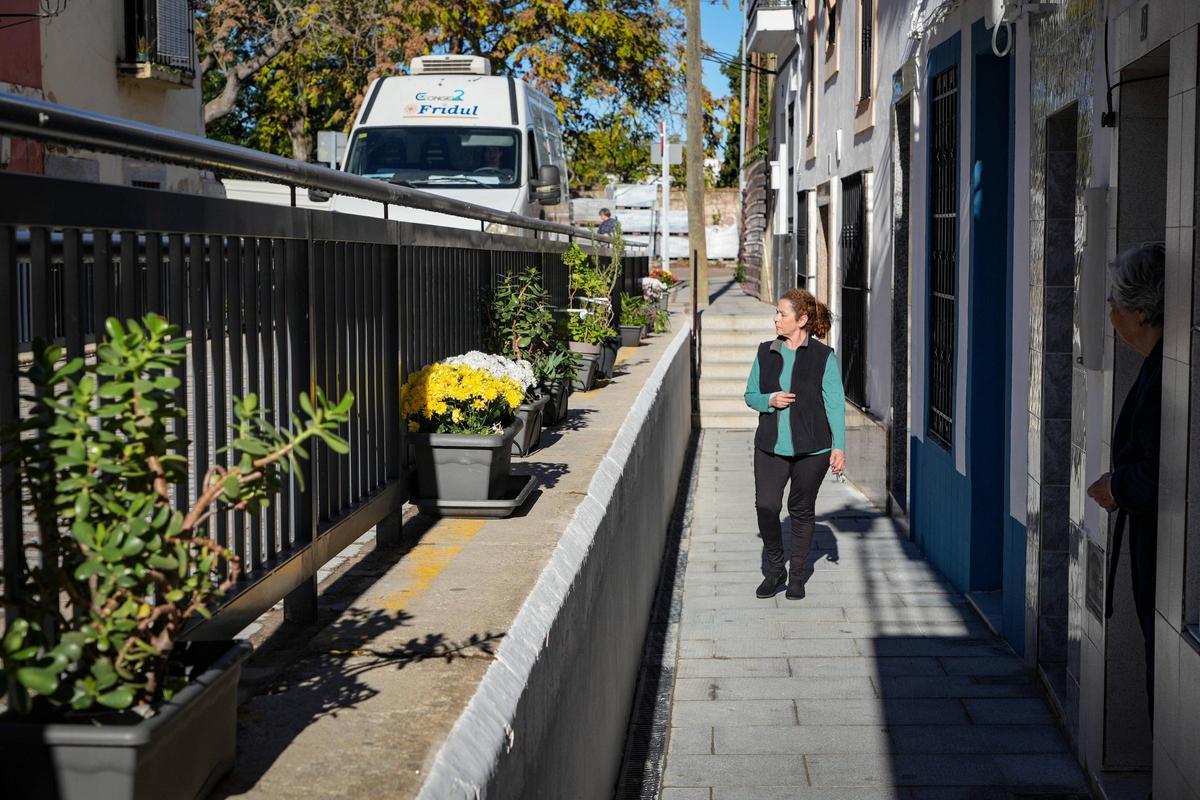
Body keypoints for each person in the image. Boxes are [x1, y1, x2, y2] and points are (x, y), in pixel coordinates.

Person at [1086, 242, 1165, 730]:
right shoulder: (1157, 366)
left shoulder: (1165, 375)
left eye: (1114, 303)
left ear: (1140, 311)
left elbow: (1164, 473)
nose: (1110, 313)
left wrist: (1118, 485)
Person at [744, 289, 846, 600]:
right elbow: (750, 395)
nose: (776, 318)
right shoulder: (766, 352)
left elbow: (835, 404)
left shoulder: (823, 357)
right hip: (770, 446)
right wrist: (769, 400)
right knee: (767, 506)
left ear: (801, 320)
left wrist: (838, 447)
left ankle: (797, 575)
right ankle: (775, 570)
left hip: (812, 450)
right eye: (776, 313)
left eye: (782, 314)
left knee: (801, 510)